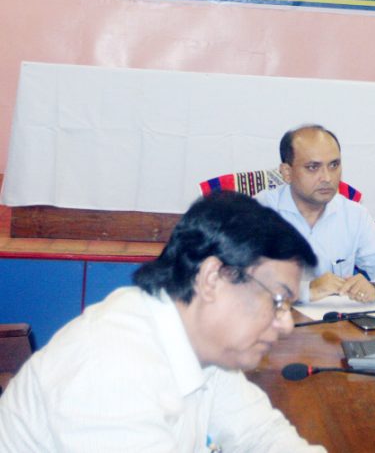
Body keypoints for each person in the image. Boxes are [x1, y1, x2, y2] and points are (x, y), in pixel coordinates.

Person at [0, 191, 325, 452]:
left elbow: (260, 435)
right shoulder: (111, 367)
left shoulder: (207, 346)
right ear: (213, 277)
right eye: (277, 300)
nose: (285, 325)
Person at [257, 124, 375, 303]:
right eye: (313, 167)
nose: (327, 178)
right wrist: (307, 290)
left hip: (334, 327)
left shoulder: (354, 215)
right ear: (287, 172)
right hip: (272, 324)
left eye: (334, 165)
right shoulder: (259, 212)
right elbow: (239, 282)